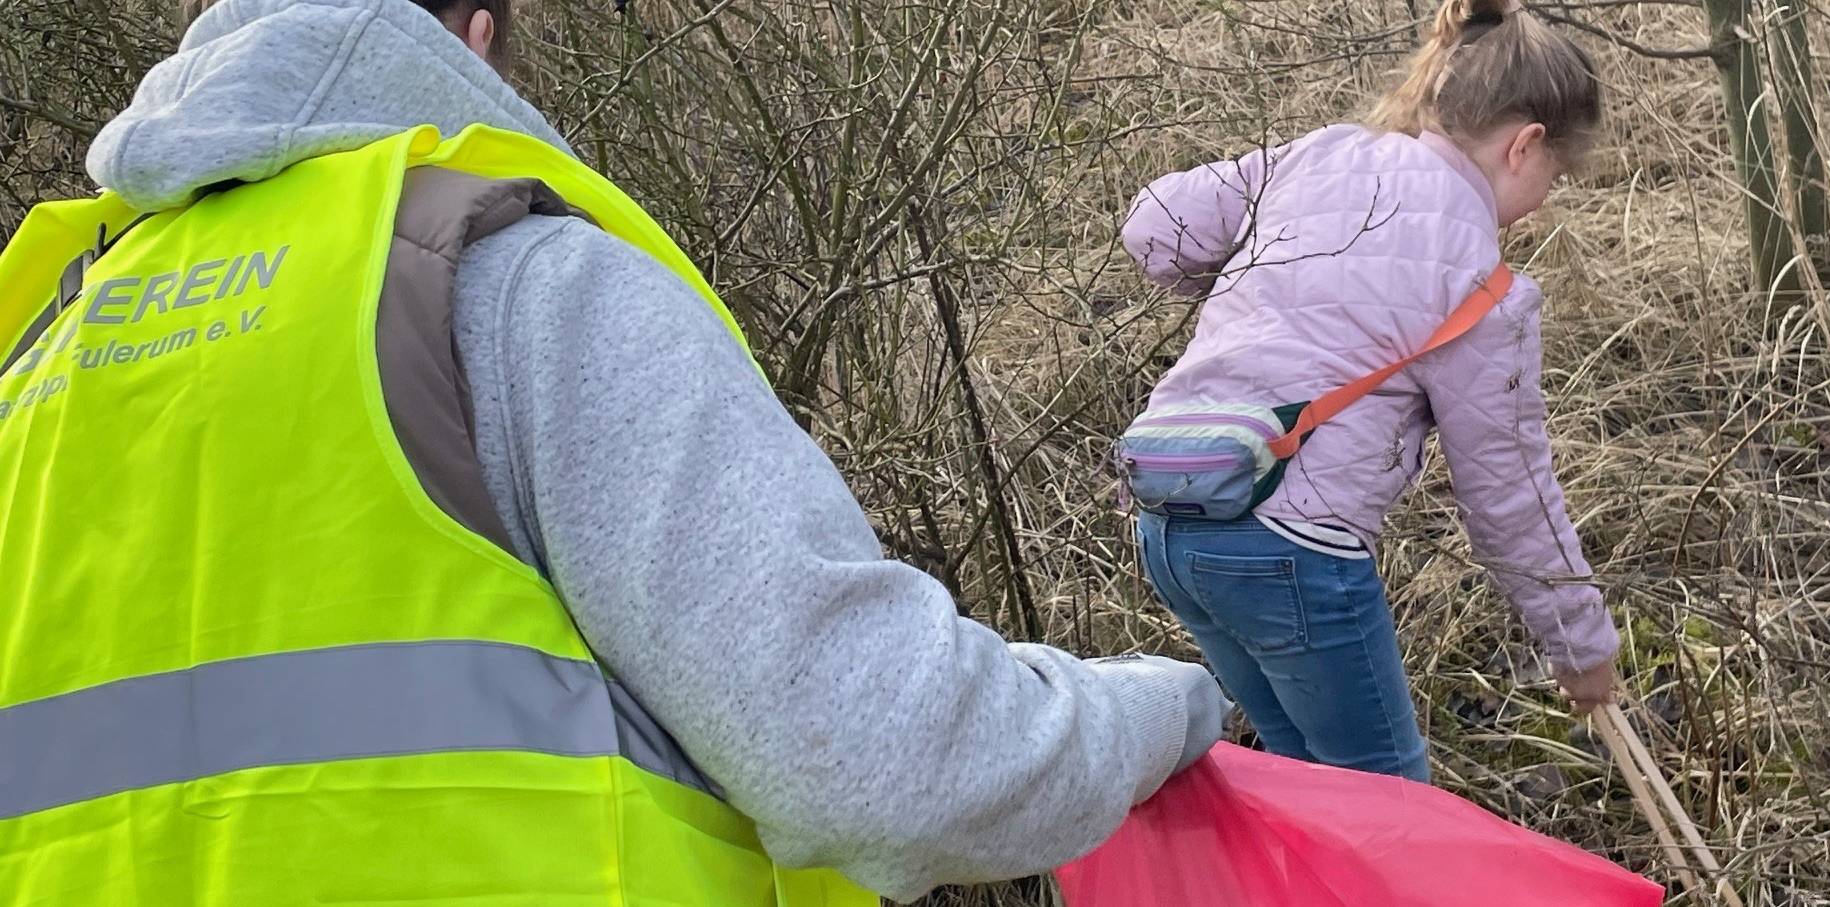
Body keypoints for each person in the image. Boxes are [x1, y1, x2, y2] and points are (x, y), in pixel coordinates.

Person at [0, 0, 1229, 903]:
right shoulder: (505, 279)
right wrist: (1158, 712)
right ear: (473, 37)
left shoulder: (45, 357)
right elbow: (873, 755)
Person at [1118, 0, 1619, 784]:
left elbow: (1155, 227)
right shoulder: (1481, 286)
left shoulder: (1318, 156)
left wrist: (1262, 284)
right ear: (1524, 145)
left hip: (1166, 512)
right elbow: (1508, 494)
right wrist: (1581, 647)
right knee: (1386, 800)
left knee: (1306, 787)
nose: (1545, 199)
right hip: (1289, 551)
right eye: (1554, 174)